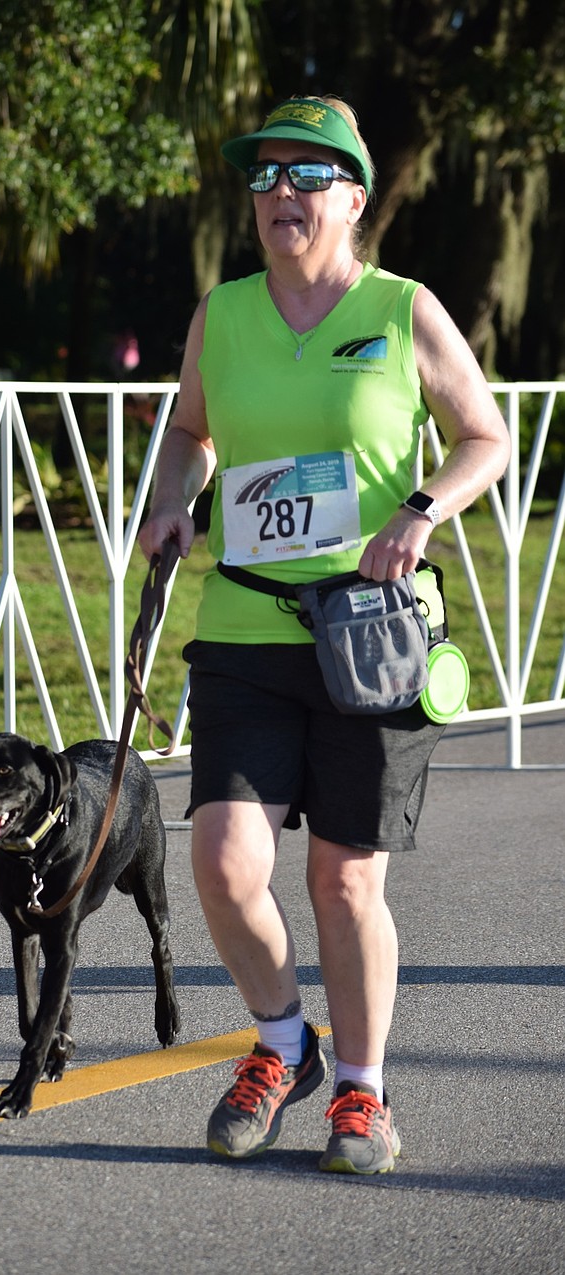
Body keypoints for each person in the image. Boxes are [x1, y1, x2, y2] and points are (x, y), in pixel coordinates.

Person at [138, 95, 510, 1174]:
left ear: (353, 198)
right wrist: (172, 499)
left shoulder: (402, 311)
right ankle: (279, 1044)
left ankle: (362, 1091)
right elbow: (189, 431)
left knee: (344, 880)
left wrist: (419, 510)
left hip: (367, 636)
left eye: (305, 177)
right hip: (245, 625)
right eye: (263, 179)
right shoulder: (225, 315)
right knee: (220, 860)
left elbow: (484, 436)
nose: (280, 196)